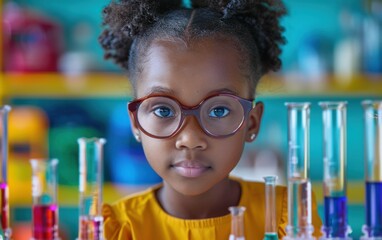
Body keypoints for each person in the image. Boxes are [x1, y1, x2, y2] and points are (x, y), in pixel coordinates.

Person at [99, 0, 322, 239]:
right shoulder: (117, 230)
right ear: (135, 123)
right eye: (163, 110)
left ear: (252, 123)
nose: (190, 138)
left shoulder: (288, 220)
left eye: (218, 111)